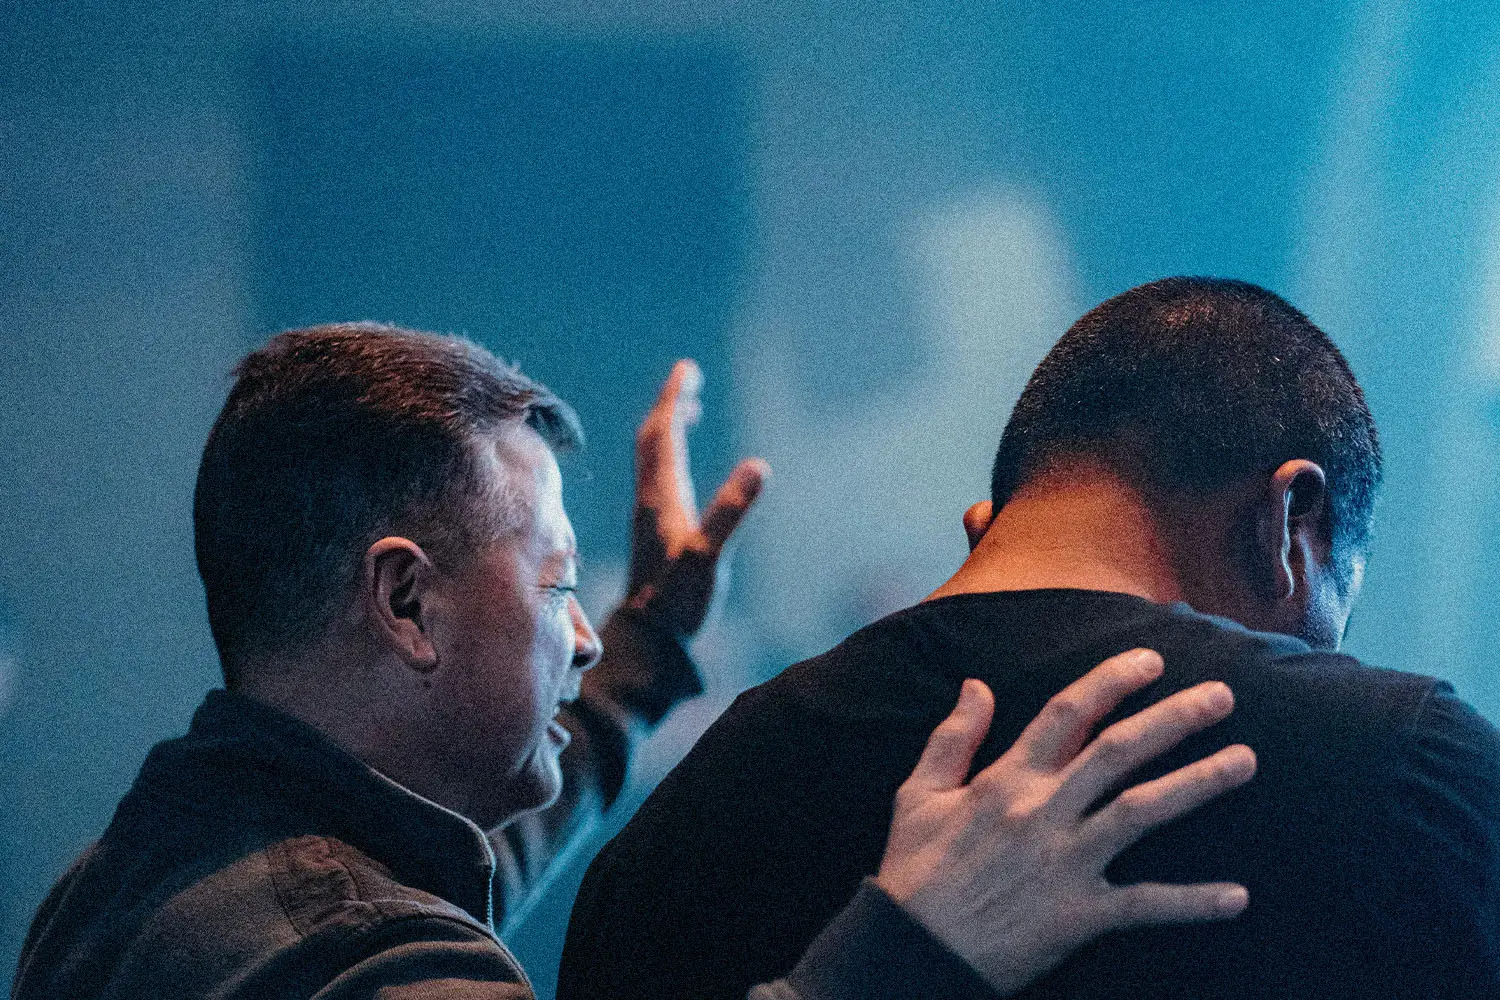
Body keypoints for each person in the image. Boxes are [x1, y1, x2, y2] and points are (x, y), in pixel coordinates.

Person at [13, 323, 1257, 1000]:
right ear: (405, 599)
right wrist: (919, 939)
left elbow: (475, 861)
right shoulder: (355, 954)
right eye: (558, 586)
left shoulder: (138, 868)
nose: (585, 628)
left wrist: (655, 640)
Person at [558, 277, 1500, 1000]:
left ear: (990, 524)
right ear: (1292, 518)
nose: (1316, 665)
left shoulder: (677, 823)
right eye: (1332, 621)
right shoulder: (1410, 766)